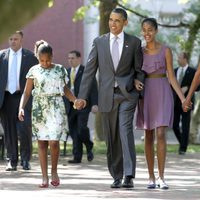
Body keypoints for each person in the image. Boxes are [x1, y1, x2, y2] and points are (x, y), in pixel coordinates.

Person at [76, 8, 145, 189]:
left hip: (127, 94)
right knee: (112, 137)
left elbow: (139, 70)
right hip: (107, 96)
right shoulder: (99, 42)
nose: (113, 24)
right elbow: (90, 70)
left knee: (124, 131)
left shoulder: (134, 42)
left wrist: (139, 80)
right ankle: (116, 175)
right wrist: (82, 96)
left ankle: (128, 175)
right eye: (111, 20)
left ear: (125, 22)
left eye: (117, 21)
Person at [18, 40, 77, 188]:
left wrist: (75, 101)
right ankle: (44, 177)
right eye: (42, 60)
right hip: (39, 109)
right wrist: (21, 108)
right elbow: (26, 93)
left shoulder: (60, 70)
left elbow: (65, 90)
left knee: (54, 141)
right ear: (38, 57)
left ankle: (54, 171)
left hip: (56, 107)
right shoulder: (33, 70)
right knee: (42, 142)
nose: (45, 63)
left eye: (48, 60)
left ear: (52, 56)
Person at [136, 18, 186, 189]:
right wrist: (136, 82)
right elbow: (135, 74)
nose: (146, 33)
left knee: (161, 134)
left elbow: (171, 76)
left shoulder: (166, 50)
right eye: (144, 30)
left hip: (163, 92)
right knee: (148, 134)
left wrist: (182, 98)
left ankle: (161, 177)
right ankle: (150, 177)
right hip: (146, 94)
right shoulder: (139, 52)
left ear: (156, 31)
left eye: (150, 29)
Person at [0, 31, 38, 171]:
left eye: (15, 39)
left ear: (21, 39)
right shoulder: (1, 56)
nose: (13, 41)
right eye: (10, 39)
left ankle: (26, 160)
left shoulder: (30, 57)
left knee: (24, 129)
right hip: (6, 98)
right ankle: (12, 160)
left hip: (24, 97)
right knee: (9, 130)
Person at [64, 50, 98, 163]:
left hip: (83, 105)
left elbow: (93, 88)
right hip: (70, 106)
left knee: (81, 128)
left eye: (72, 58)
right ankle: (77, 156)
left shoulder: (86, 71)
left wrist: (94, 104)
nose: (70, 60)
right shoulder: (66, 72)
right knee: (73, 131)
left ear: (79, 59)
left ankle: (89, 145)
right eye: (69, 58)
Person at [173, 52, 198, 155]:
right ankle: (184, 142)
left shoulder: (193, 71)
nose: (177, 59)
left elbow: (198, 86)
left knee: (185, 126)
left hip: (187, 102)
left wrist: (188, 87)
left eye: (179, 57)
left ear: (185, 59)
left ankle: (182, 148)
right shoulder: (174, 71)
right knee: (174, 125)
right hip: (175, 102)